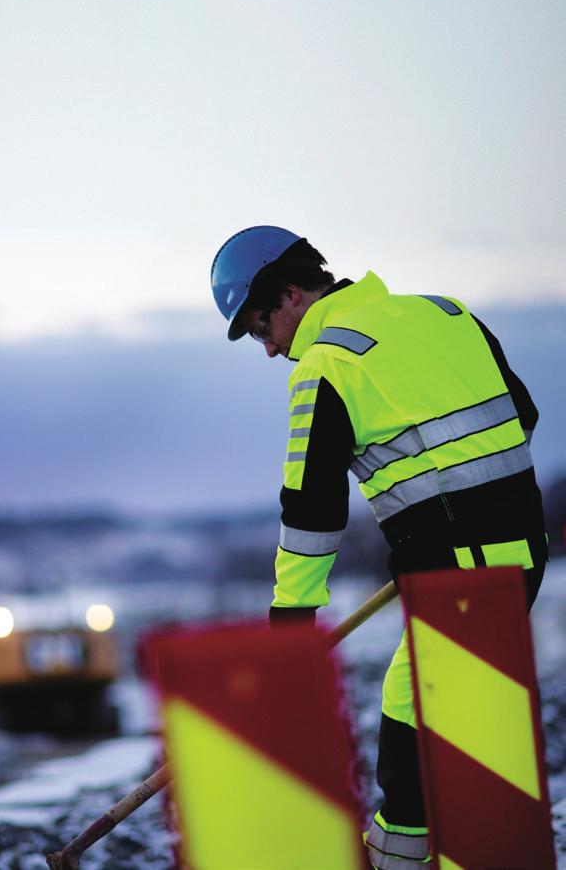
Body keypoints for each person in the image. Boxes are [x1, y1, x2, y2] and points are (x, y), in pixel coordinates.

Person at [210, 225, 548, 870]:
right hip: (517, 551)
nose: (268, 349)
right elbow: (521, 414)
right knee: (426, 710)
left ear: (288, 295)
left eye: (259, 329)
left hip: (462, 572)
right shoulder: (444, 312)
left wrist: (292, 620)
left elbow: (310, 512)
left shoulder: (325, 365)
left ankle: (405, 860)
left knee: (421, 723)